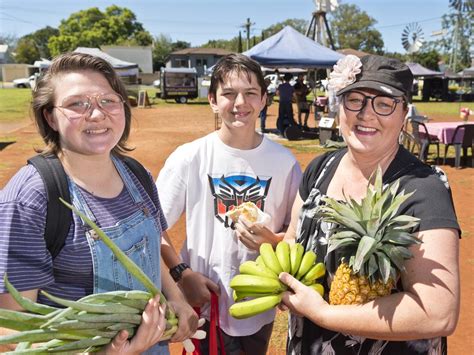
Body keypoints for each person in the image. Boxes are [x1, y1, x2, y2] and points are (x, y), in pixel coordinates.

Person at [238, 54, 461, 354]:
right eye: (354, 100)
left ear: (405, 113)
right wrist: (273, 242)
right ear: (340, 107)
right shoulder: (319, 169)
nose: (366, 114)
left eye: (384, 103)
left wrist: (324, 314)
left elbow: (438, 312)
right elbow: (293, 240)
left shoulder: (423, 188)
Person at [0, 52, 198, 354]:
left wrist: (177, 298)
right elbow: (12, 330)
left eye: (108, 100)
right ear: (50, 116)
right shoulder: (31, 198)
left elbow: (150, 249)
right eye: (77, 104)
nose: (96, 114)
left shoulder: (137, 174)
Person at [156, 53, 302, 354]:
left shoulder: (284, 162)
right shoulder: (190, 157)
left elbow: (296, 230)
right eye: (228, 94)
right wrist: (182, 273)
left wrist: (273, 241)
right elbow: (151, 226)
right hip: (203, 302)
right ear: (212, 100)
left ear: (263, 100)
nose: (240, 103)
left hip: (258, 306)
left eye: (250, 93)